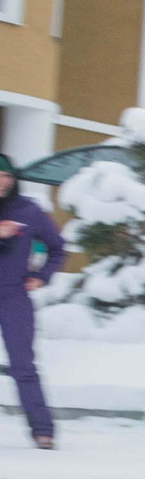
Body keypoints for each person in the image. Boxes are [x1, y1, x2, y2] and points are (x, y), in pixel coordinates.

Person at [0, 154, 67, 451]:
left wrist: (42, 276)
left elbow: (58, 248)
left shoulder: (29, 211)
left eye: (7, 176)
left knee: (23, 366)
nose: (3, 182)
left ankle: (43, 430)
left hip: (13, 295)